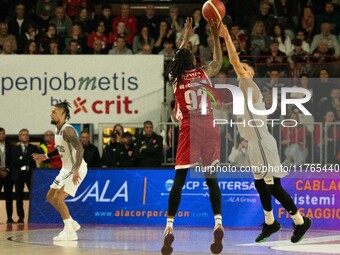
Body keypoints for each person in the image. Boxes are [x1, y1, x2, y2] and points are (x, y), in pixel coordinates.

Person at [219, 23, 312, 243]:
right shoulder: (241, 97)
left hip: (262, 142)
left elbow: (234, 61)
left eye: (243, 68)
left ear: (249, 73)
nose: (239, 69)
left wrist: (226, 37)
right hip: (253, 144)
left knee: (272, 185)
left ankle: (300, 221)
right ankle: (270, 222)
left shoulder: (250, 87)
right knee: (260, 184)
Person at [161, 18, 223, 255]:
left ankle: (169, 227)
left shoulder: (175, 78)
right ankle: (218, 222)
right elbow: (218, 60)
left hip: (189, 128)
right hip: (209, 126)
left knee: (179, 180)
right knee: (211, 179)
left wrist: (185, 37)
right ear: (193, 61)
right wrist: (215, 36)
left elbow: (177, 59)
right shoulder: (203, 72)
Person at [33, 101, 87, 241]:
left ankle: (70, 231)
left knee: (58, 197)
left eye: (54, 112)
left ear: (63, 114)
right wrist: (46, 156)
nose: (51, 114)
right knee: (50, 196)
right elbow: (60, 148)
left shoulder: (68, 130)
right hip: (66, 168)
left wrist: (75, 169)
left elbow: (80, 149)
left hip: (76, 167)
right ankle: (72, 223)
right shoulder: (58, 129)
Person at [11, 128, 38, 223]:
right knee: (19, 197)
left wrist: (22, 158)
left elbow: (32, 159)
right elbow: (15, 161)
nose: (25, 136)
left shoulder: (33, 148)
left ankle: (34, 216)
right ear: (19, 137)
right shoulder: (14, 148)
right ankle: (21, 217)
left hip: (30, 174)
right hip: (18, 175)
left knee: (33, 195)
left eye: (27, 134)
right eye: (23, 134)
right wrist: (25, 158)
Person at [0, 127, 14, 224]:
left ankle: (9, 218)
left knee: (9, 197)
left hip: (8, 174)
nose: (1, 135)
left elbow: (13, 160)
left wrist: (7, 170)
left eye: (3, 133)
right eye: (0, 133)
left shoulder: (10, 146)